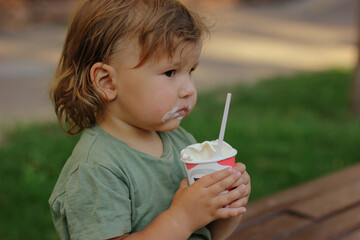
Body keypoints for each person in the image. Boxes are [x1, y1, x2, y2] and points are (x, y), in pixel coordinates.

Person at [48, 0, 251, 239]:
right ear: (107, 82)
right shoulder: (96, 170)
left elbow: (210, 234)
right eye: (169, 72)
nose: (188, 89)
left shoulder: (180, 142)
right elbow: (186, 222)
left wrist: (227, 203)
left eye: (191, 71)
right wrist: (182, 218)